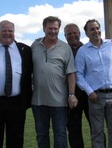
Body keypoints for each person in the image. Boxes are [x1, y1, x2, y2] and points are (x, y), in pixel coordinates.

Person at [75, 19, 112, 148]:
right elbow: (78, 75)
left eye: (97, 28)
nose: (96, 31)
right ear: (86, 33)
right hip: (95, 97)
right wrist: (89, 91)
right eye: (92, 29)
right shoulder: (82, 51)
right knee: (97, 132)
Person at [0, 20, 33, 148]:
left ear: (14, 32)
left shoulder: (25, 50)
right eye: (4, 30)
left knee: (16, 137)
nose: (7, 33)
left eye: (10, 31)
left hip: (17, 102)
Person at [31, 16, 78, 148]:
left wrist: (71, 94)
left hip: (59, 102)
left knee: (60, 134)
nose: (53, 31)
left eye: (55, 28)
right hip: (38, 101)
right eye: (50, 28)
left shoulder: (65, 48)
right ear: (44, 29)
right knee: (41, 134)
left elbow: (71, 73)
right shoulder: (35, 45)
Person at [64, 23, 91, 148]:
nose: (72, 35)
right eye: (69, 33)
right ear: (65, 36)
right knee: (74, 131)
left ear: (80, 33)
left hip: (90, 94)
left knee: (96, 128)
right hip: (71, 96)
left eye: (74, 32)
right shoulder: (63, 51)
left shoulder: (88, 49)